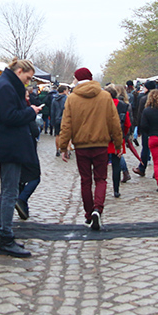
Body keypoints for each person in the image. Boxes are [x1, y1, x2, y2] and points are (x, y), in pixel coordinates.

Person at [0, 58, 42, 257]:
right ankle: (5, 238)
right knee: (9, 192)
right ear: (19, 71)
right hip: (9, 147)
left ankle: (5, 235)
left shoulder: (5, 85)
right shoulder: (6, 87)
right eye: (28, 77)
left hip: (8, 146)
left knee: (8, 192)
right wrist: (30, 112)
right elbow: (10, 116)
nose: (28, 81)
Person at [57, 67, 123, 231]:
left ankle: (88, 214)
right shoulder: (105, 96)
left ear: (77, 79)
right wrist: (118, 144)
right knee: (100, 179)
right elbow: (114, 122)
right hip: (101, 145)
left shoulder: (72, 99)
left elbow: (66, 125)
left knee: (85, 180)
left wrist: (63, 147)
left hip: (82, 146)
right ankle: (97, 209)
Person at [106, 85, 131, 198]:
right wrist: (123, 137)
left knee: (101, 165)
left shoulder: (102, 105)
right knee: (116, 165)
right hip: (118, 139)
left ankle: (101, 187)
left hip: (103, 140)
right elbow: (127, 123)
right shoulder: (123, 106)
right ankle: (116, 190)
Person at [134, 82, 153, 176]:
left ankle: (142, 167)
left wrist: (139, 128)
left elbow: (140, 115)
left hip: (146, 128)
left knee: (145, 148)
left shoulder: (143, 99)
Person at [50, 85, 68, 157]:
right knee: (66, 135)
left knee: (57, 135)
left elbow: (52, 111)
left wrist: (52, 121)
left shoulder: (54, 99)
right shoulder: (66, 98)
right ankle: (65, 150)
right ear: (64, 91)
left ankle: (57, 150)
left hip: (57, 119)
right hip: (65, 119)